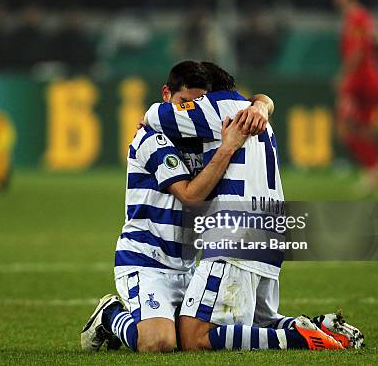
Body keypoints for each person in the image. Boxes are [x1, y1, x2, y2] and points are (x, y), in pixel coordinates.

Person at [142, 64, 363, 352]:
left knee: (192, 336)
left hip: (235, 235)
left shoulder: (212, 109)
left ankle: (300, 339)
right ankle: (321, 327)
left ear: (207, 93)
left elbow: (153, 114)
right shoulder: (253, 111)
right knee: (258, 325)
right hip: (273, 232)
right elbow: (262, 101)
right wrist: (262, 101)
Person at [80, 61, 275, 352]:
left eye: (198, 104)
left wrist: (261, 104)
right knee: (159, 342)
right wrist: (227, 148)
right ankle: (109, 315)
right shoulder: (150, 138)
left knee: (199, 336)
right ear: (166, 94)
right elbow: (190, 195)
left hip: (187, 267)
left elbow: (243, 104)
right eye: (184, 103)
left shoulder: (202, 137)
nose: (190, 111)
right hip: (146, 261)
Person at [332, 0, 378, 194]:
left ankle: (372, 171)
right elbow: (374, 46)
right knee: (363, 128)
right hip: (372, 77)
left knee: (346, 128)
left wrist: (344, 76)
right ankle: (374, 172)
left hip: (360, 80)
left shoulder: (355, 18)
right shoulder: (366, 17)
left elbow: (357, 51)